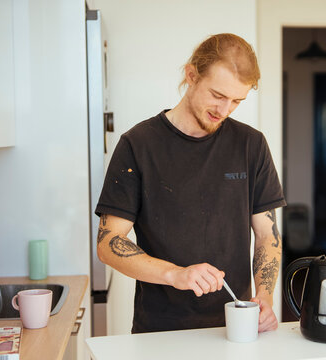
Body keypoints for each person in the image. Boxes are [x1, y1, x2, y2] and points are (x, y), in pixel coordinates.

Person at [95, 33, 286, 334]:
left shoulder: (251, 145)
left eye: (237, 101)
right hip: (160, 332)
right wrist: (176, 274)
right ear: (191, 75)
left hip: (236, 330)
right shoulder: (138, 145)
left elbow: (267, 236)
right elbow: (108, 243)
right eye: (218, 95)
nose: (224, 110)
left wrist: (264, 296)